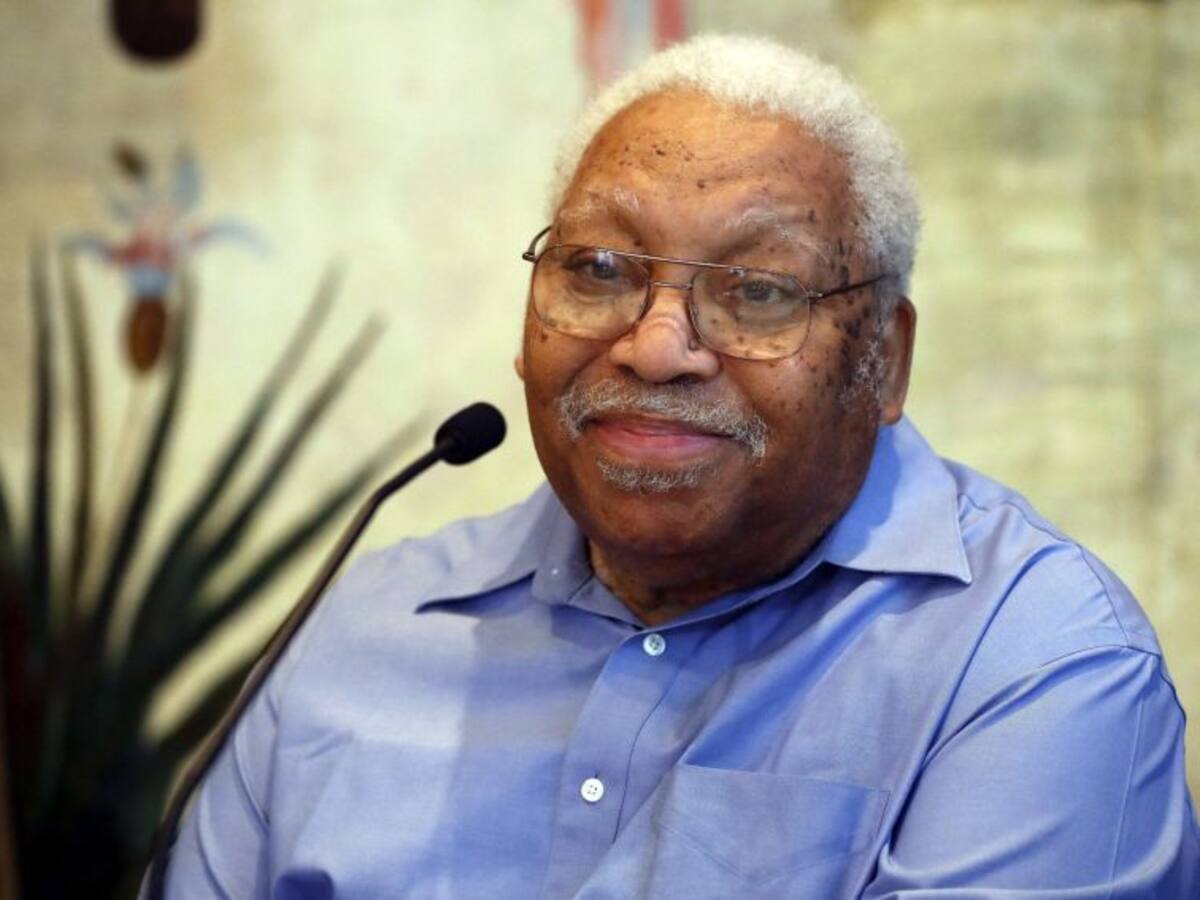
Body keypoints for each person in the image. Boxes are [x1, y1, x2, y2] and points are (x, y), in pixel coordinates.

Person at [157, 35, 1199, 898]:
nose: (656, 348)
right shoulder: (355, 636)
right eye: (600, 269)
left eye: (757, 291)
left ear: (884, 359)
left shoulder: (1031, 662)